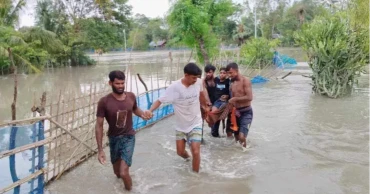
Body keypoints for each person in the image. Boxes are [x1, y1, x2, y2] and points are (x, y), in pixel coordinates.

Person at [95, 70, 152, 191]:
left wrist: (143, 114)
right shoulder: (104, 102)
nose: (120, 86)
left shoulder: (131, 96)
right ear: (110, 83)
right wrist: (100, 150)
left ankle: (130, 191)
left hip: (128, 137)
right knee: (117, 173)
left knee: (124, 173)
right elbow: (99, 126)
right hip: (114, 138)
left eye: (122, 83)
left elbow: (135, 109)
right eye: (117, 83)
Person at [148, 63, 208, 173]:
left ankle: (195, 179)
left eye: (197, 77)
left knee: (196, 151)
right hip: (181, 126)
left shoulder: (199, 82)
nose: (196, 80)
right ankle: (189, 159)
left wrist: (205, 107)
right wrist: (150, 111)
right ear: (186, 75)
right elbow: (159, 100)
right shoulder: (174, 87)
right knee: (180, 152)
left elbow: (201, 94)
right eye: (193, 77)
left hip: (196, 122)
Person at [225, 62, 253, 150]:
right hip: (235, 112)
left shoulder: (245, 80)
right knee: (236, 137)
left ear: (236, 71)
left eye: (231, 73)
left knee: (241, 136)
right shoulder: (232, 83)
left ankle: (246, 152)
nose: (229, 75)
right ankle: (239, 158)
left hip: (246, 112)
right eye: (228, 73)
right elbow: (232, 97)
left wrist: (235, 99)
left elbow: (249, 97)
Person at [203, 64, 230, 137]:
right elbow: (205, 92)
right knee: (213, 118)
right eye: (207, 72)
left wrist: (228, 96)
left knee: (217, 118)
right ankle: (214, 133)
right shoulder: (209, 81)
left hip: (221, 102)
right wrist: (208, 103)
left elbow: (231, 91)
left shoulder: (224, 81)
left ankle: (215, 134)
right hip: (212, 103)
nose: (208, 74)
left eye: (210, 72)